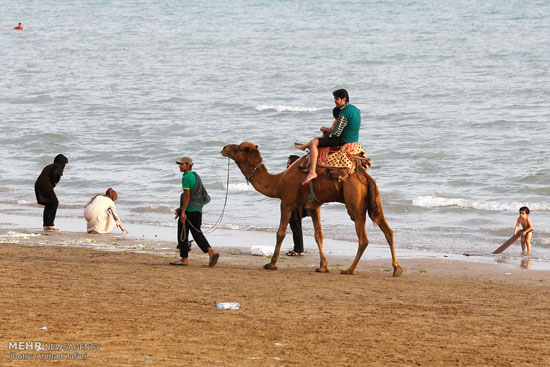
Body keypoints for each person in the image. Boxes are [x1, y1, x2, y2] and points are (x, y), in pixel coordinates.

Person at [294, 89, 361, 185]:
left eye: (337, 99)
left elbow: (336, 133)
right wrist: (329, 129)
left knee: (314, 142)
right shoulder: (355, 110)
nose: (334, 101)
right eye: (334, 99)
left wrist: (328, 130)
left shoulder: (344, 113)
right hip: (353, 139)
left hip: (343, 140)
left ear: (344, 99)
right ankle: (304, 146)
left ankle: (312, 172)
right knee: (319, 139)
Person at [171, 156, 219, 267]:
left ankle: (184, 259)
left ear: (188, 165)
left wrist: (183, 211)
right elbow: (195, 195)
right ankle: (211, 251)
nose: (179, 166)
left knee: (182, 235)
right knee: (197, 233)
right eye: (179, 164)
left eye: (181, 164)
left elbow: (187, 195)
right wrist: (182, 207)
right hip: (197, 211)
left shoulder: (186, 177)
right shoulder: (196, 176)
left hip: (188, 212)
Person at [34, 154, 68, 231]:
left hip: (39, 184)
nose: (66, 165)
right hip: (45, 184)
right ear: (62, 162)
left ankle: (46, 224)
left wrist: (52, 184)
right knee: (55, 202)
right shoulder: (58, 166)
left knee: (49, 204)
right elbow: (55, 174)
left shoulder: (50, 166)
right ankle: (50, 224)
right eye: (66, 163)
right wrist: (53, 184)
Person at [285, 155, 307, 256]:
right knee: (295, 225)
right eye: (287, 163)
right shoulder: (295, 174)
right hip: (295, 203)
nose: (288, 164)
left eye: (290, 163)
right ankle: (299, 248)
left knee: (295, 225)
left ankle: (298, 249)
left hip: (296, 204)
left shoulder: (295, 175)